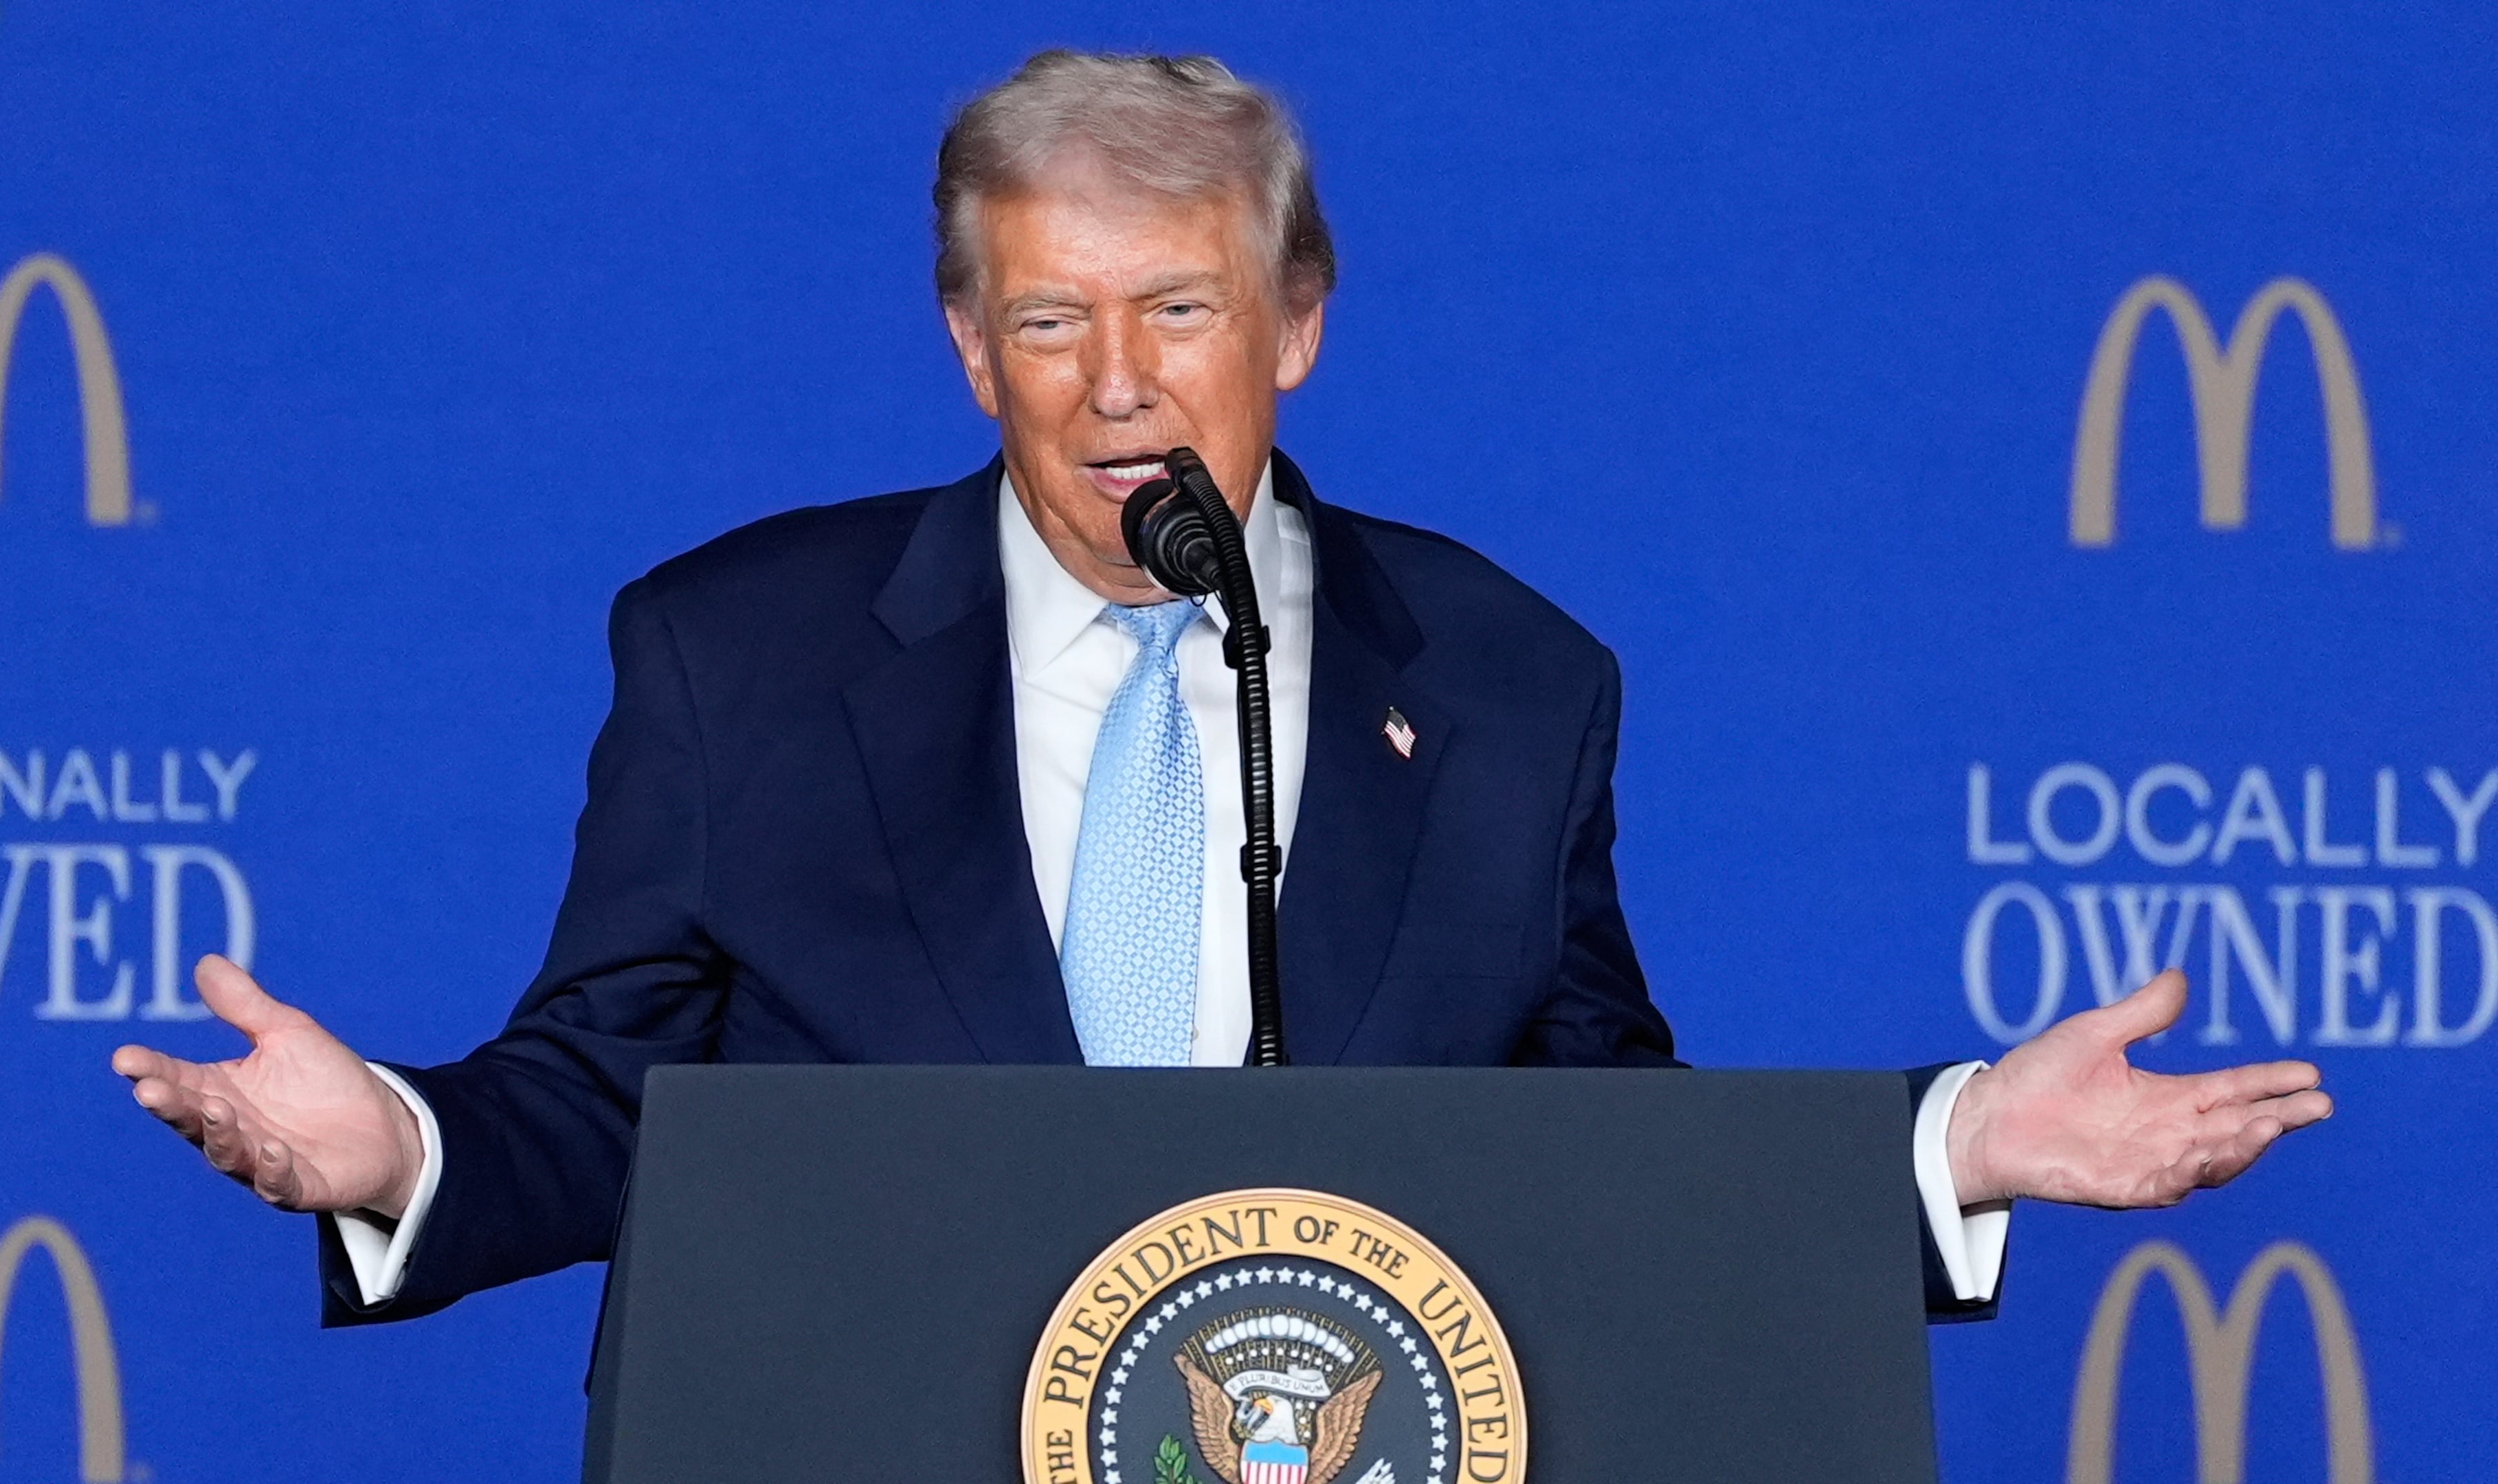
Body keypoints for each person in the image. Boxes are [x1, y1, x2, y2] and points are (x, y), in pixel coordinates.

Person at [111, 50, 2330, 1329]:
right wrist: (388, 1139)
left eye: (1178, 311)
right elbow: (614, 1103)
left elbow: (1581, 1149)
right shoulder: (736, 651)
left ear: (1299, 325)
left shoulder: (1505, 677)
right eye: (1047, 324)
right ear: (969, 349)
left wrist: (1955, 1149)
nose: (1115, 390)